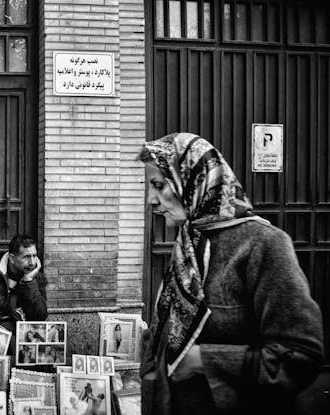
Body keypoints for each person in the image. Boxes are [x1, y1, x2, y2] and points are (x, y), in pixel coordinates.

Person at [138, 132, 324, 415]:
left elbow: (300, 357)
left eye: (159, 185)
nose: (151, 199)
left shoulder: (263, 244)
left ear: (195, 180)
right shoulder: (190, 244)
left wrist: (204, 360)